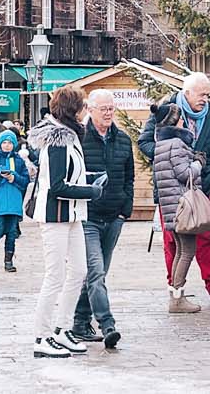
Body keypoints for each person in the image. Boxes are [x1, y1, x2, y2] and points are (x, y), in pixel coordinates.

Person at [140, 72, 210, 304]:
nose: (205, 98)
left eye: (207, 94)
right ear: (187, 93)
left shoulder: (209, 115)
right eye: (201, 94)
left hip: (199, 188)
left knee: (204, 236)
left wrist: (209, 177)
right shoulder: (168, 109)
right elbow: (144, 142)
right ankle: (174, 289)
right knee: (173, 241)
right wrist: (170, 158)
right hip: (171, 191)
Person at [29, 87, 97, 359]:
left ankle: (61, 328)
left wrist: (90, 181)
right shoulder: (58, 140)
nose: (86, 111)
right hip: (54, 215)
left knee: (79, 270)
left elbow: (72, 176)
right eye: (84, 106)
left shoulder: (70, 137)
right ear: (73, 110)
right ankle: (41, 336)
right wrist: (90, 191)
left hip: (72, 214)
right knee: (54, 275)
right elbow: (57, 186)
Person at [70, 88, 134, 349]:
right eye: (103, 109)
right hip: (88, 217)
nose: (108, 113)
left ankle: (79, 321)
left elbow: (129, 177)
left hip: (114, 216)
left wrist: (125, 209)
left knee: (98, 273)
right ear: (90, 110)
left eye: (111, 109)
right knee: (95, 272)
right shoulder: (80, 138)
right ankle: (107, 324)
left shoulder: (123, 139)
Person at [0, 128, 32, 272]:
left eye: (10, 142)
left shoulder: (18, 160)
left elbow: (25, 181)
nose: (7, 145)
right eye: (4, 142)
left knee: (11, 232)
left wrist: (13, 177)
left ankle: (8, 261)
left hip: (14, 201)